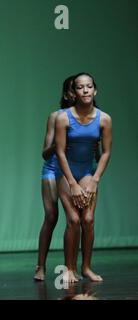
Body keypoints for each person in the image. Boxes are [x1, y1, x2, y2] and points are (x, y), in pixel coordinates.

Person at [55, 72, 112, 283]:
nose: (85, 90)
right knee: (73, 219)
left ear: (94, 90)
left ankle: (86, 267)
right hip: (66, 173)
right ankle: (69, 268)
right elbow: (59, 152)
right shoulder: (64, 117)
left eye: (89, 86)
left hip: (88, 172)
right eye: (80, 87)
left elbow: (106, 152)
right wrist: (72, 183)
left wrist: (95, 179)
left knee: (88, 219)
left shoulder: (104, 118)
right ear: (74, 91)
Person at [34, 76, 78, 281]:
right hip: (52, 170)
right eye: (72, 89)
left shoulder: (88, 117)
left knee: (75, 219)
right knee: (51, 217)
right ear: (67, 93)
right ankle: (40, 267)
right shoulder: (56, 116)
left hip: (75, 173)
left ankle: (72, 268)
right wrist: (60, 143)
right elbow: (45, 152)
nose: (75, 93)